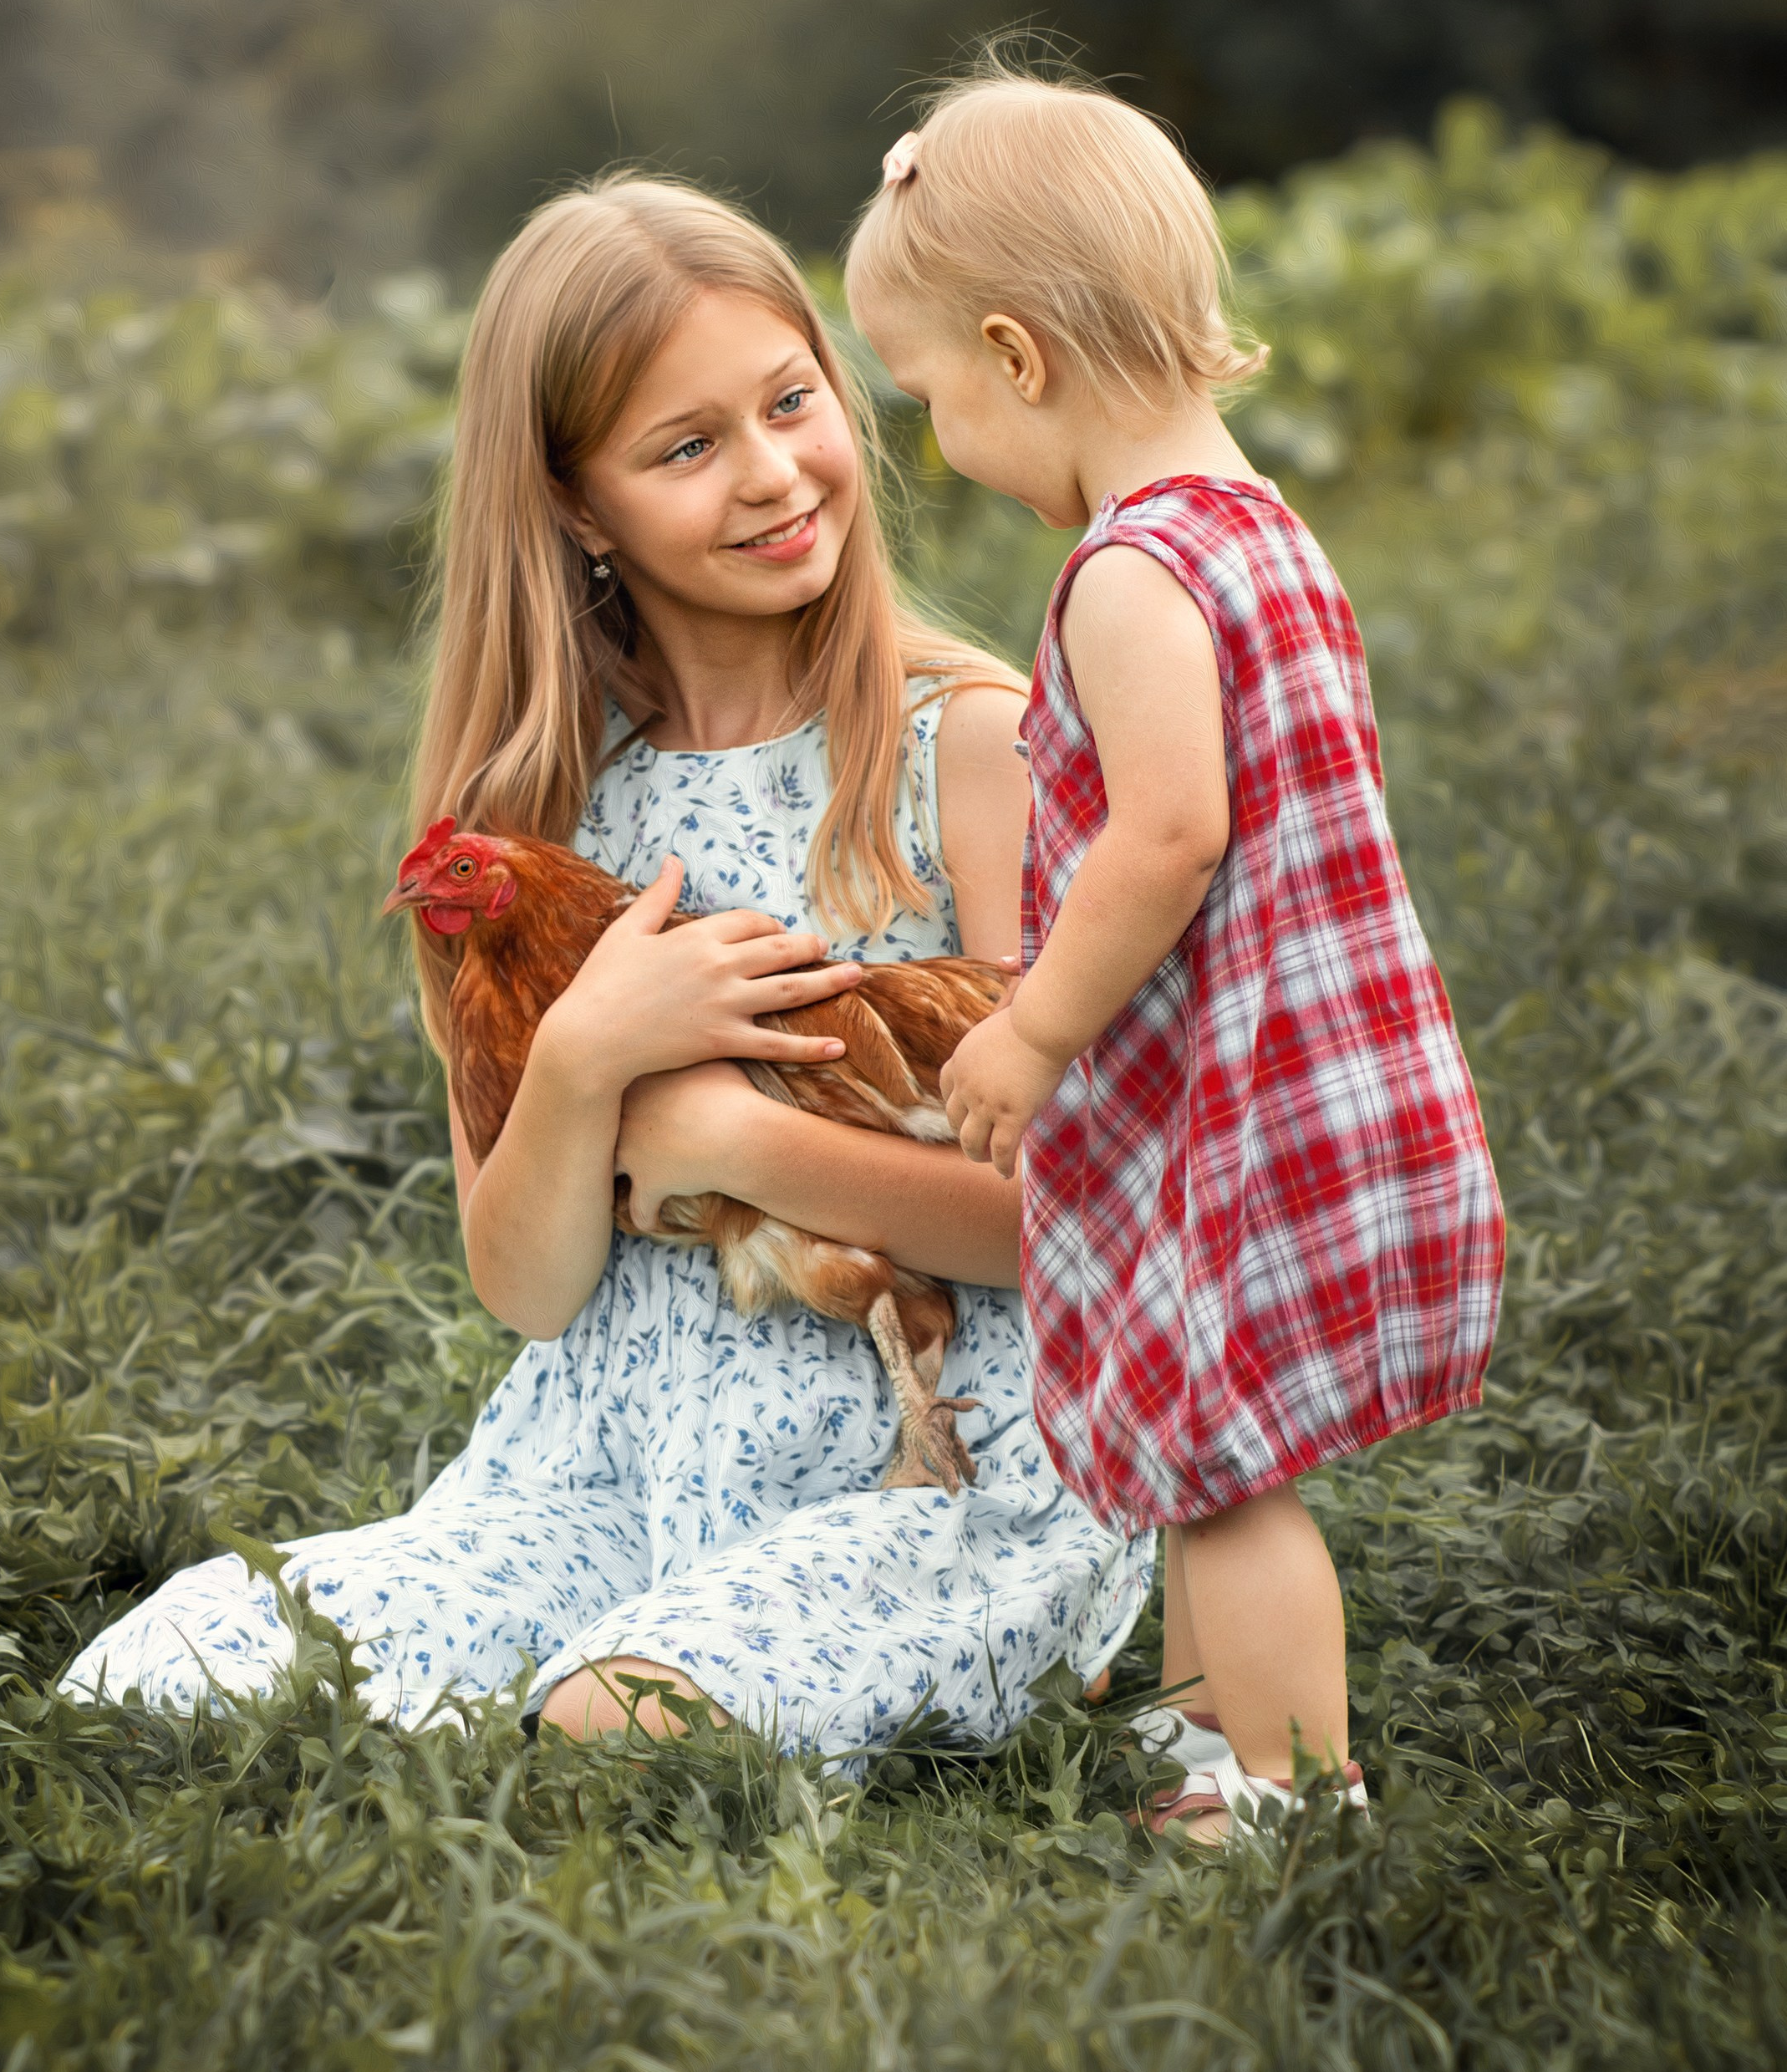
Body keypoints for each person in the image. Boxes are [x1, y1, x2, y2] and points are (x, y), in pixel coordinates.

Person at [59, 175, 1153, 1759]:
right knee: (163, 1677)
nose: (776, 475)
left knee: (609, 1719)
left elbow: (1066, 1224)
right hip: (604, 1472)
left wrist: (730, 1140)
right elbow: (525, 1285)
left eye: (791, 402)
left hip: (945, 1467)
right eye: (686, 447)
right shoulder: (534, 824)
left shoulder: (961, 750)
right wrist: (583, 1064)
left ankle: (925, 1644)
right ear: (578, 506)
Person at [845, 70, 1506, 1837]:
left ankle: (1293, 1788)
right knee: (1210, 1444)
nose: (936, 444)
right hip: (1292, 1064)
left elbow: (1167, 832)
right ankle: (1212, 1726)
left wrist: (1031, 1030)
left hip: (1232, 1101)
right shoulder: (1257, 526)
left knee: (1229, 1482)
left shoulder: (1125, 575)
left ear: (1015, 354)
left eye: (926, 396)